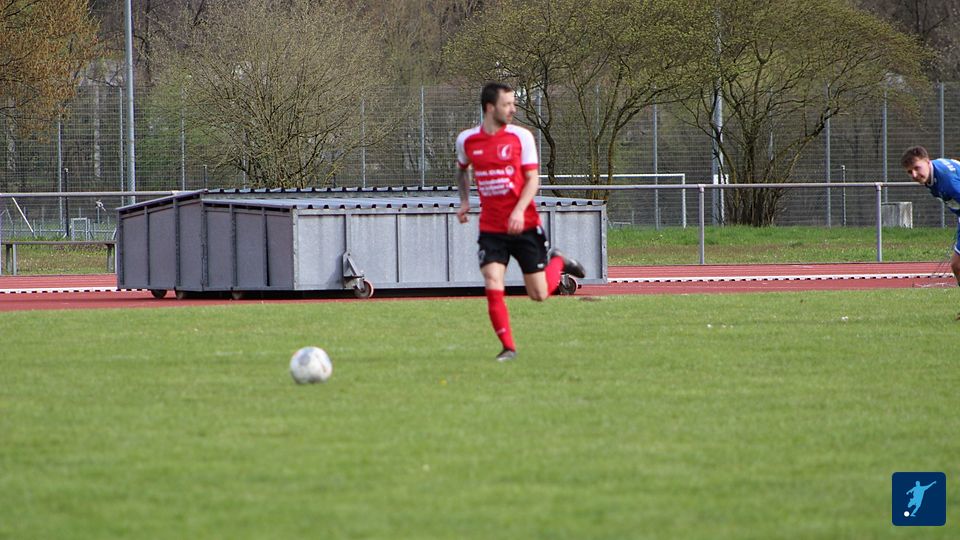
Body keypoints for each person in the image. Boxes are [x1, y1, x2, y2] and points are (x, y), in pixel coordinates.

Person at [455, 82, 585, 362]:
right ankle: (508, 348)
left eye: (513, 104)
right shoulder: (467, 140)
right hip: (492, 228)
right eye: (507, 104)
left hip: (524, 224)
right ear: (490, 108)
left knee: (539, 293)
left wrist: (517, 211)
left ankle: (558, 261)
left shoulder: (521, 137)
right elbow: (462, 170)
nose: (513, 109)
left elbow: (532, 181)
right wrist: (464, 201)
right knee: (492, 280)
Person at [901, 146, 960, 286]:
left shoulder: (948, 182)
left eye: (917, 168)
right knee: (957, 265)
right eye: (910, 172)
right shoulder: (933, 173)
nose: (914, 175)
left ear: (927, 161)